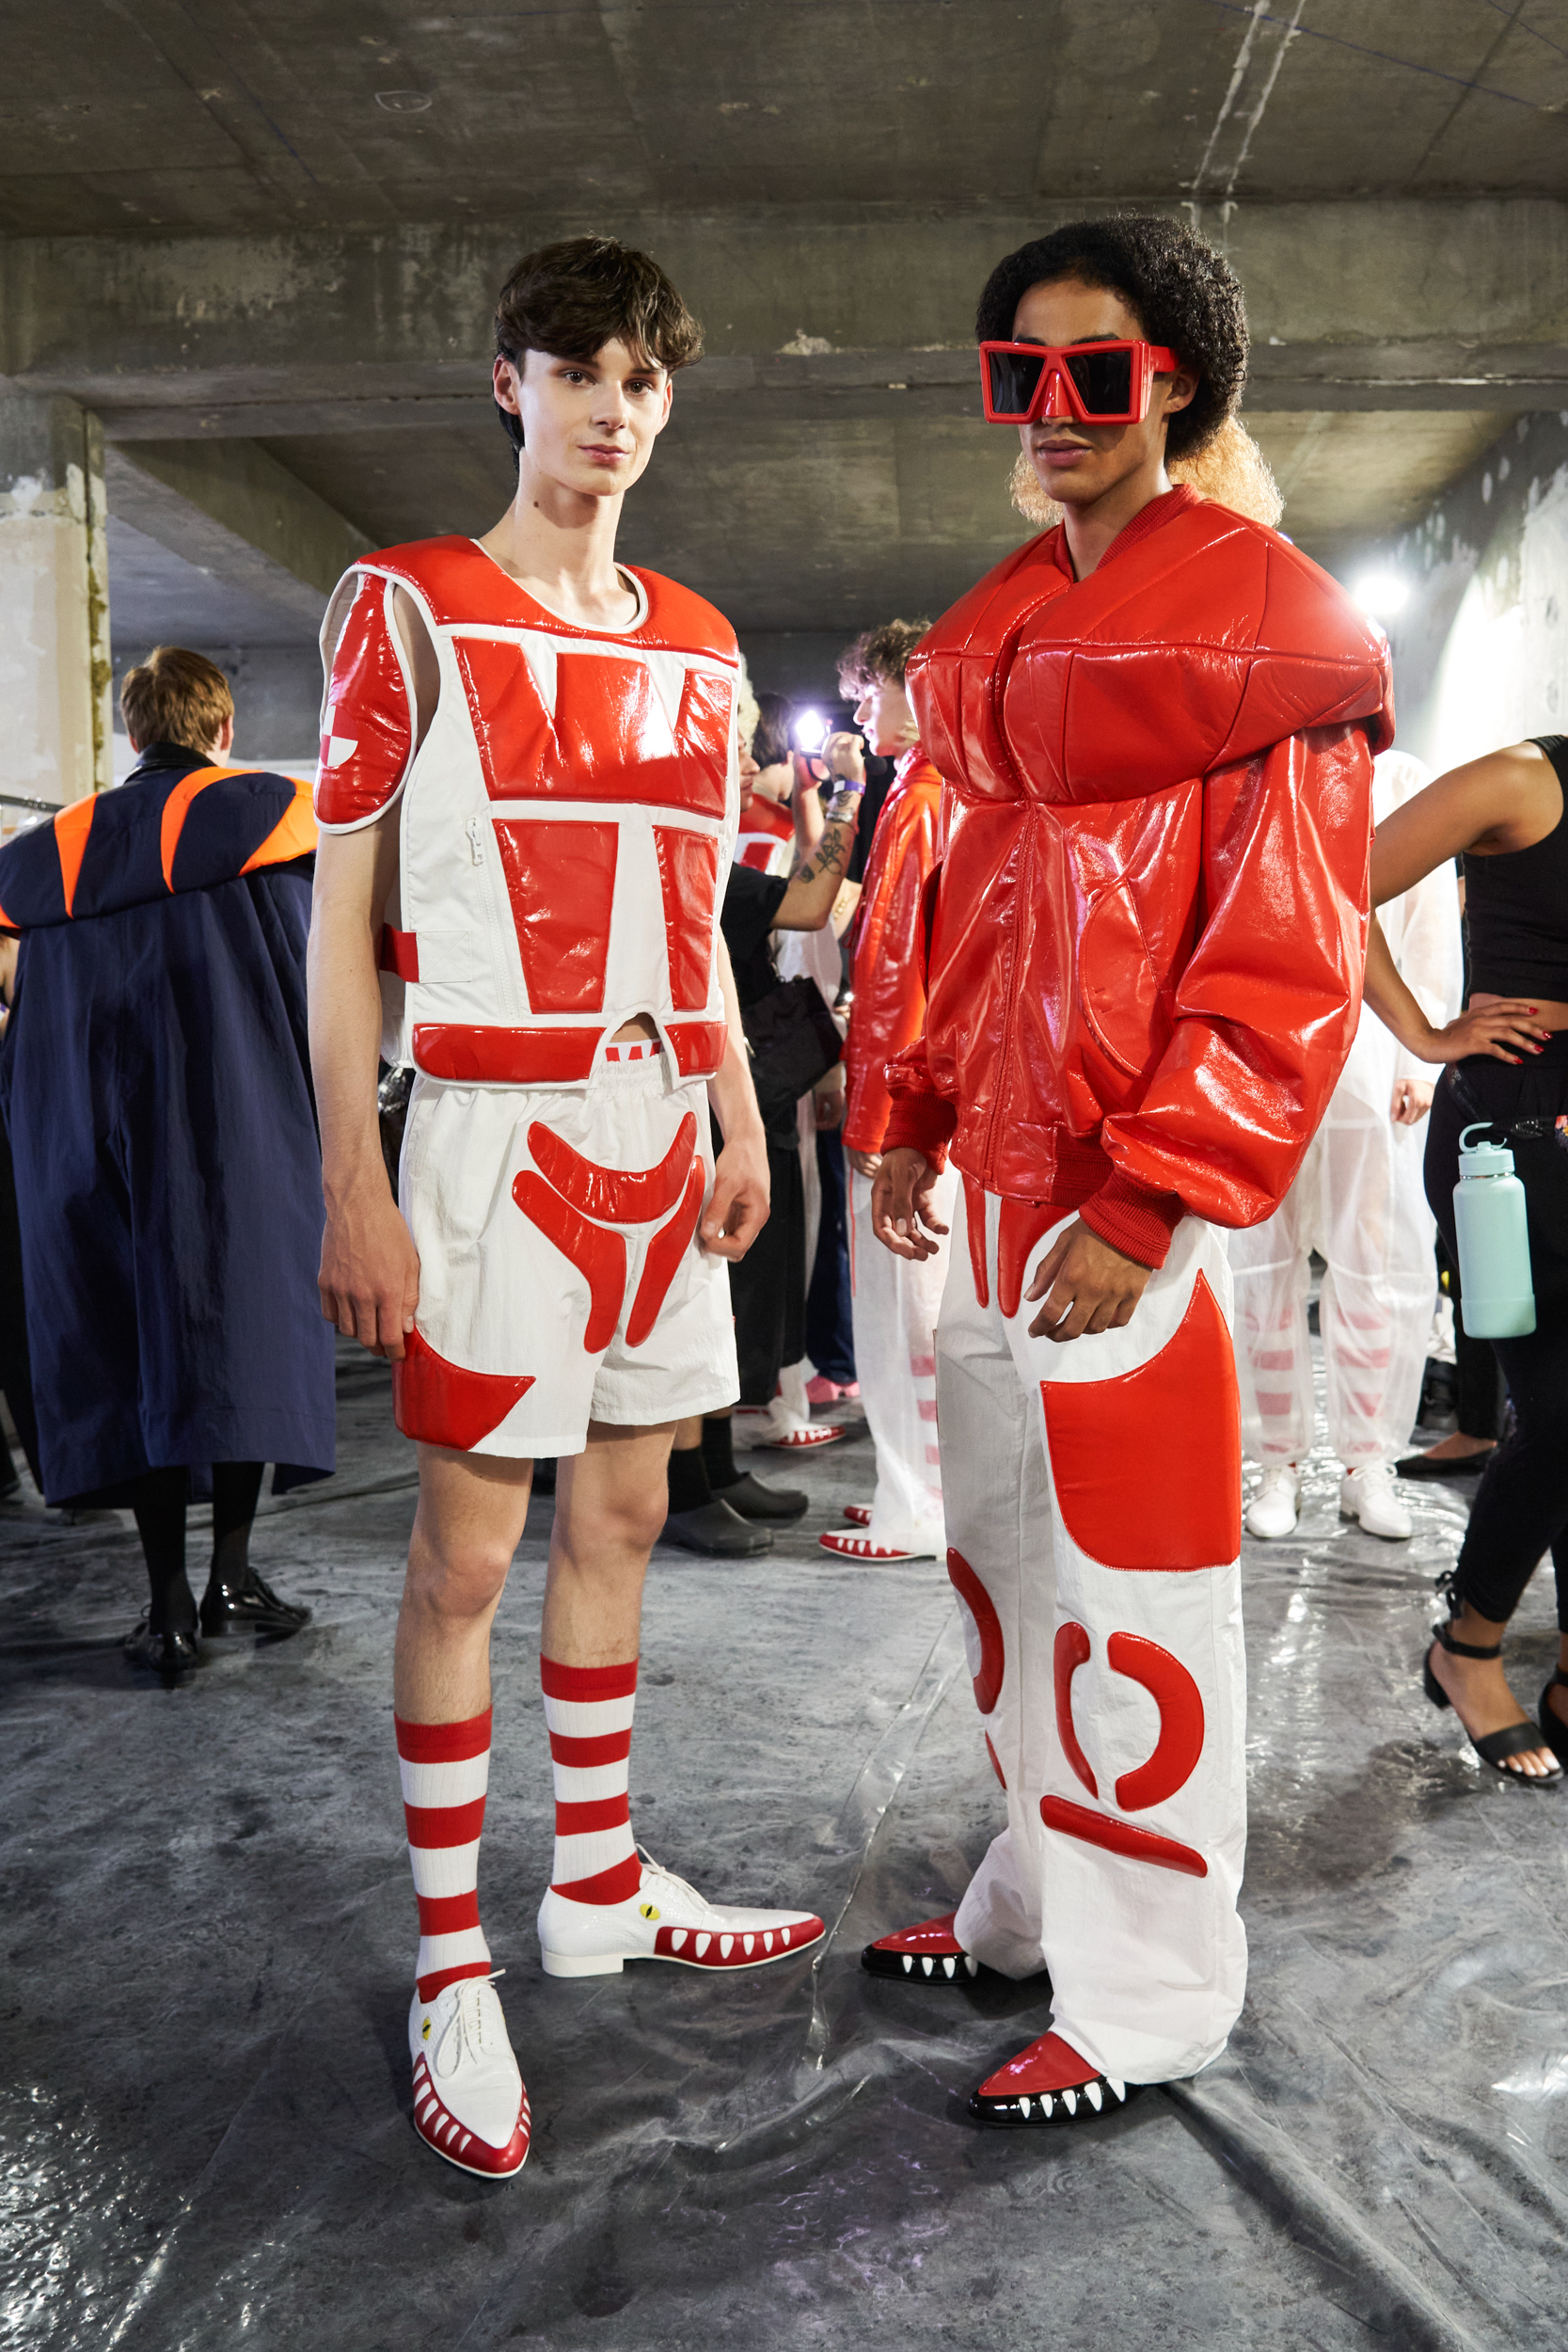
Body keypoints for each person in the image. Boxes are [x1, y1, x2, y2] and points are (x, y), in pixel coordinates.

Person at [308, 236, 826, 2183]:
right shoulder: (405, 602)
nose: (613, 405)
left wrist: (732, 1108)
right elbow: (338, 917)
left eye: (644, 379)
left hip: (654, 1126)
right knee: (460, 1555)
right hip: (478, 1137)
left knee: (621, 1512)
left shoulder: (696, 639)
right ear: (507, 381)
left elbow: (693, 911)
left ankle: (592, 1879)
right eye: (577, 368)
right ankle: (455, 1956)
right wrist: (347, 1172)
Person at [863, 215, 1390, 2128]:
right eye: (1019, 369)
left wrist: (1153, 1191)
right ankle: (1028, 1899)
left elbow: (1282, 950)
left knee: (1138, 1593)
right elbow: (962, 908)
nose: (1053, 404)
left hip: (1115, 1217)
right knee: (1003, 1566)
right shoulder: (996, 622)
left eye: (1095, 367)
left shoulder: (1270, 627)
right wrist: (908, 1104)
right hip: (1002, 1196)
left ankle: (1149, 1991)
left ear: (1172, 379)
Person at [0, 647, 322, 1676]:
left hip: (86, 1129)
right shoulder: (269, 814)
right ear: (220, 728)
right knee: (241, 1333)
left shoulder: (51, 853)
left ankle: (169, 1602)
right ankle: (232, 1568)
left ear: (132, 735)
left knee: (122, 1339)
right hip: (233, 1119)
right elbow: (313, 969)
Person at [1361, 733, 1568, 1781]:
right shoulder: (1521, 781)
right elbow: (1319, 885)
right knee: (1562, 1412)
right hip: (1513, 1142)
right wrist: (1422, 1032)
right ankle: (1467, 1647)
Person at [1230, 749, 1462, 1543]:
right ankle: (1275, 1464)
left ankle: (1369, 1463)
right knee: (1261, 1263)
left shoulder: (1400, 781)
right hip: (1261, 1056)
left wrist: (1418, 1058)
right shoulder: (1252, 772)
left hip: (1370, 1054)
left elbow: (1427, 923)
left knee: (1379, 1263)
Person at [663, 688, 865, 1553]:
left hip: (741, 1082)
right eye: (738, 747)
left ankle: (711, 1469)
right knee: (703, 1287)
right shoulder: (683, 851)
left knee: (733, 1293)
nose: (753, 764)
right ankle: (681, 1488)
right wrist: (850, 794)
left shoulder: (705, 846)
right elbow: (812, 903)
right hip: (702, 1090)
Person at [816, 618, 952, 1564]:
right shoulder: (934, 790)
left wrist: (887, 1112)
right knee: (911, 1309)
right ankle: (908, 1488)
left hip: (904, 1092)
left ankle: (916, 1502)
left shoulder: (924, 797)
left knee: (904, 1310)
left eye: (871, 689)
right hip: (918, 1086)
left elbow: (906, 969)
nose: (860, 711)